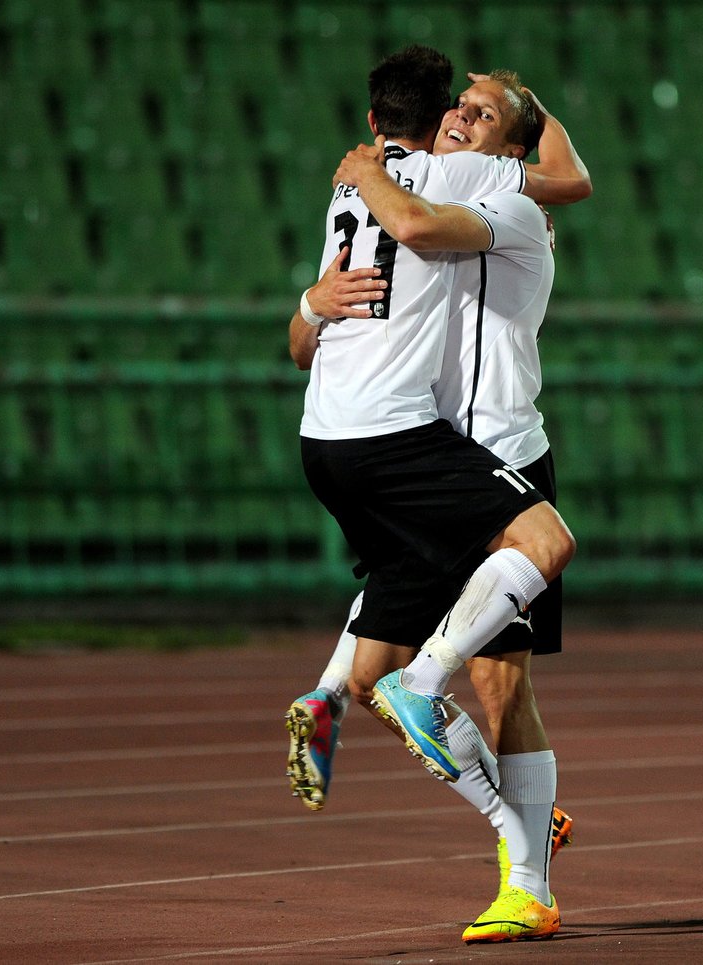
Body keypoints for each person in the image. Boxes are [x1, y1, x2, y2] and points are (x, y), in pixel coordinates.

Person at [287, 58, 590, 943]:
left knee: (501, 686)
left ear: (511, 147)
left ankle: (526, 878)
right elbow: (333, 312)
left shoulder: (505, 203)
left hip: (500, 457)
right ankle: (342, 699)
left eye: (484, 113)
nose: (461, 117)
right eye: (457, 106)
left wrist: (371, 168)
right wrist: (315, 299)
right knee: (392, 649)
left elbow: (544, 185)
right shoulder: (422, 186)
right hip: (436, 450)